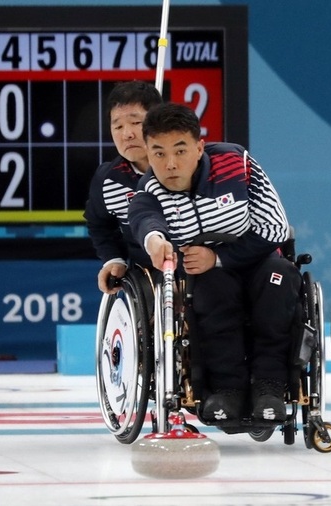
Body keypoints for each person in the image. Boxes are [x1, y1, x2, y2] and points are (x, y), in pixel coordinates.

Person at [128, 102, 299, 423]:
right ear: (148, 154)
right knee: (209, 287)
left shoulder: (237, 164)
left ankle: (270, 387)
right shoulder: (150, 188)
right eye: (159, 153)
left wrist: (219, 257)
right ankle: (226, 390)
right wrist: (156, 242)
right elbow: (144, 220)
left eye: (180, 151)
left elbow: (275, 227)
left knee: (280, 276)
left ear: (199, 148)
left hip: (259, 262)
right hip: (205, 276)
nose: (170, 164)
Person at [84, 80, 162, 294]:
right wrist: (114, 259)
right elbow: (99, 225)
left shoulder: (183, 169)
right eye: (117, 126)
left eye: (136, 123)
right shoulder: (108, 179)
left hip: (192, 266)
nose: (126, 134)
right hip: (144, 274)